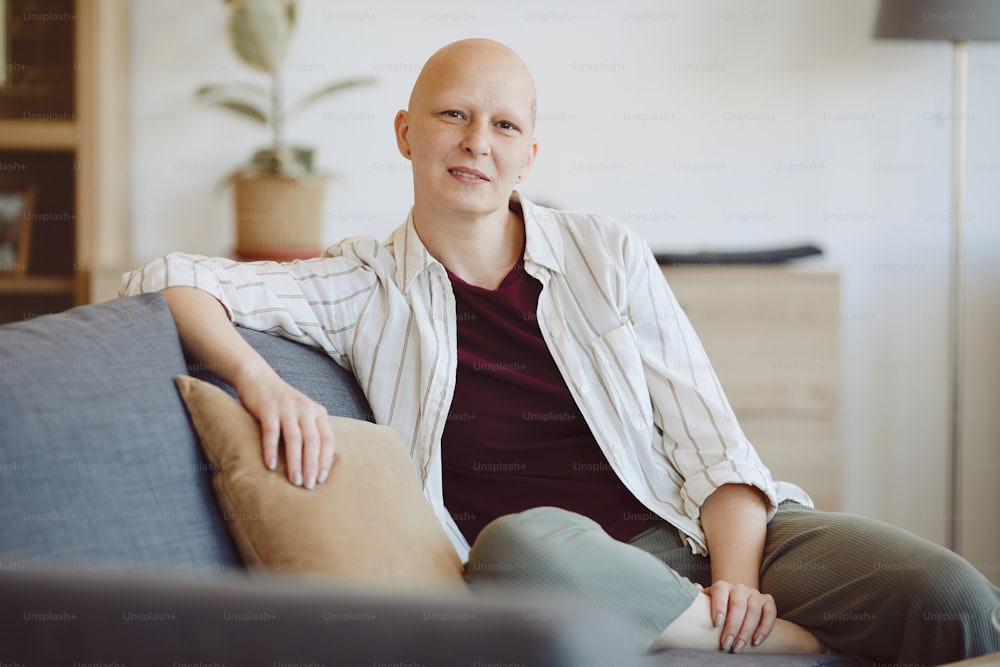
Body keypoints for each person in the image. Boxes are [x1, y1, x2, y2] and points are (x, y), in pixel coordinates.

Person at [122, 38, 999, 664]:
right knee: (516, 547)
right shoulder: (362, 282)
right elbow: (166, 277)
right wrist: (259, 380)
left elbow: (713, 442)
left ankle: (716, 631)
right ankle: (788, 648)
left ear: (529, 154)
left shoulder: (603, 252)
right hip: (557, 559)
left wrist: (734, 581)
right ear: (404, 132)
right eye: (453, 115)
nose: (476, 142)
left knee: (952, 598)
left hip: (696, 531)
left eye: (504, 126)